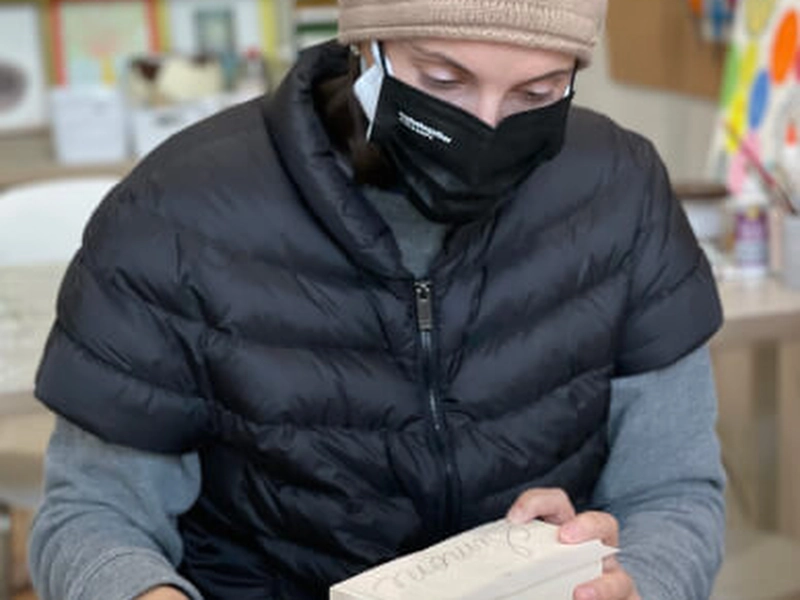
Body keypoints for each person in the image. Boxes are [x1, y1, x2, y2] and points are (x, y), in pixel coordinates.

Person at [28, 1, 726, 599]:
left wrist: (637, 580)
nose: (486, 127)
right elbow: (92, 515)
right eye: (443, 79)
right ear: (365, 45)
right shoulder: (175, 215)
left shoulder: (619, 190)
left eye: (538, 94)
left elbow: (675, 492)